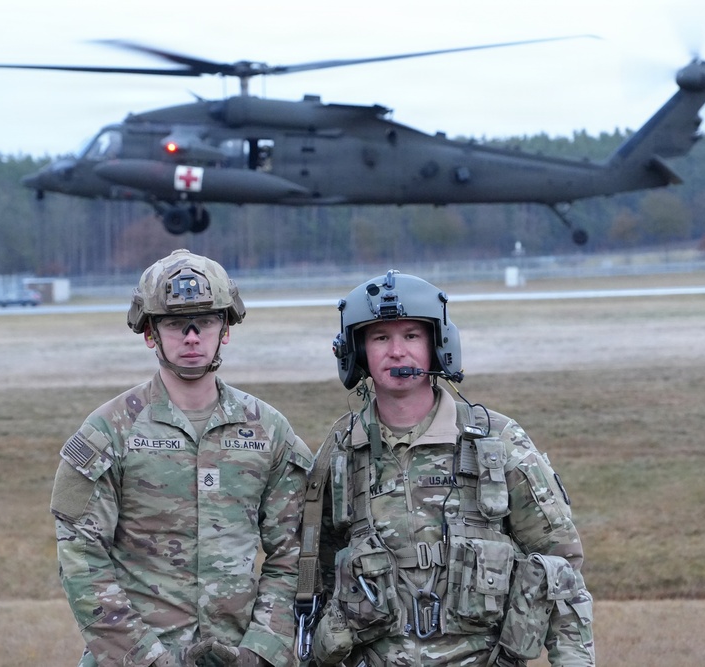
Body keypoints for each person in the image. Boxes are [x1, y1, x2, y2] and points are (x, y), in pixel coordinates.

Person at [302, 270, 594, 666]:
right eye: (380, 337)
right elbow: (312, 580)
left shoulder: (495, 440)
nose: (396, 352)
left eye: (411, 336)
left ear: (437, 345)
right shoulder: (340, 451)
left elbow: (561, 567)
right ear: (357, 352)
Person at [51, 249, 313, 667]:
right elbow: (82, 558)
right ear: (150, 333)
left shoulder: (270, 431)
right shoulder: (109, 431)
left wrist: (262, 651)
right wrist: (145, 658)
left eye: (206, 321)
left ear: (225, 329)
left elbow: (294, 555)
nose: (191, 337)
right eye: (175, 324)